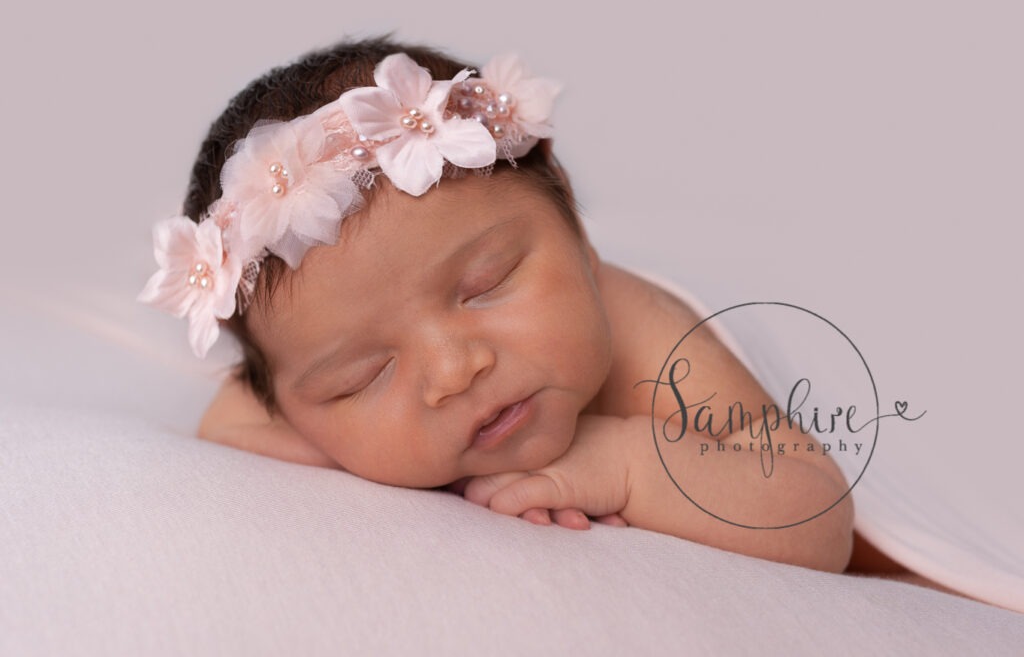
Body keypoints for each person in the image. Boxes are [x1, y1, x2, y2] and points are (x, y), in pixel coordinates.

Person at [142, 37, 891, 575]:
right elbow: (230, 426)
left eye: (486, 283)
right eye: (362, 377)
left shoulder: (653, 340)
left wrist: (629, 463)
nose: (454, 371)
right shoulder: (297, 373)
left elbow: (818, 512)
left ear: (569, 215)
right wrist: (382, 452)